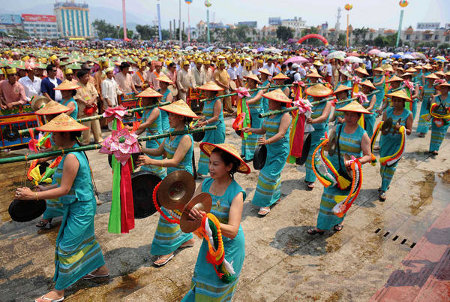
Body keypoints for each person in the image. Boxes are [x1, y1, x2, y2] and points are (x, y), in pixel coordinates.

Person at [15, 113, 108, 302]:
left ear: (65, 135)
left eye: (54, 135)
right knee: (86, 240)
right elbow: (68, 184)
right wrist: (45, 188)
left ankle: (59, 291)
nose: (52, 138)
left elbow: (65, 189)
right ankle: (101, 270)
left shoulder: (72, 156)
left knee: (66, 247)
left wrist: (34, 195)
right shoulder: (68, 152)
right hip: (78, 204)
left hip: (81, 207)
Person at [182, 142, 250, 301]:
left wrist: (207, 220)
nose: (210, 168)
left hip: (229, 247)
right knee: (203, 281)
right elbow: (191, 208)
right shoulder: (205, 184)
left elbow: (233, 230)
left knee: (218, 288)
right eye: (209, 163)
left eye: (216, 164)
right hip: (210, 242)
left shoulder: (236, 193)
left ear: (228, 167)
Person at [136, 100, 197, 266]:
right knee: (178, 210)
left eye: (172, 115)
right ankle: (186, 238)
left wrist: (151, 161)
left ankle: (167, 249)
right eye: (169, 114)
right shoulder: (170, 132)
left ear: (181, 118)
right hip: (172, 178)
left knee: (168, 213)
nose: (168, 117)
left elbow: (175, 161)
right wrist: (140, 150)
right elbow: (159, 152)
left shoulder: (185, 137)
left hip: (182, 179)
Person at [307, 101, 372, 235]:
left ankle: (339, 221)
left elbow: (368, 156)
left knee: (342, 198)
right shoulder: (338, 128)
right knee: (327, 197)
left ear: (359, 117)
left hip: (349, 172)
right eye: (347, 114)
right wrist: (324, 145)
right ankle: (321, 226)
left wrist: (355, 162)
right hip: (334, 170)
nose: (349, 117)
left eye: (353, 115)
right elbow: (330, 147)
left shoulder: (363, 134)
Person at [245, 89, 292, 216]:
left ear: (277, 102)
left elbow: (281, 134)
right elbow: (262, 130)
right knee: (272, 175)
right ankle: (275, 197)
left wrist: (267, 141)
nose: (268, 102)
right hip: (269, 150)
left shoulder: (285, 116)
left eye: (271, 100)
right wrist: (250, 129)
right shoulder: (268, 113)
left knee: (269, 175)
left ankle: (265, 203)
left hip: (280, 150)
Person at [378, 90, 413, 201]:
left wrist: (401, 129)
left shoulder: (408, 114)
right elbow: (383, 127)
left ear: (403, 102)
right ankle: (385, 182)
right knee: (383, 166)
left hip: (397, 145)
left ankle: (383, 189)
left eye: (399, 101)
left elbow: (409, 131)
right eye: (395, 100)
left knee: (391, 167)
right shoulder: (387, 112)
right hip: (385, 142)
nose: (397, 103)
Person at [304, 84, 333, 190]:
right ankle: (309, 176)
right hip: (310, 132)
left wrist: (313, 121)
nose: (315, 96)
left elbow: (324, 116)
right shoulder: (310, 101)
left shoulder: (327, 103)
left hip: (320, 133)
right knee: (307, 154)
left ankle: (312, 179)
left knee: (314, 155)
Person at [133, 88, 166, 179]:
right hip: (149, 138)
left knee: (155, 162)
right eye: (142, 98)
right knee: (147, 161)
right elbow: (143, 128)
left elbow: (147, 123)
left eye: (145, 98)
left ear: (151, 99)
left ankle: (161, 181)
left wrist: (132, 128)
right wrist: (133, 135)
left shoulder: (155, 110)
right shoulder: (146, 109)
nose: (142, 100)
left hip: (156, 139)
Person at [196, 81, 226, 177]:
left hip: (217, 128)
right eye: (205, 91)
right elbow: (205, 115)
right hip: (209, 128)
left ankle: (219, 170)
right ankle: (202, 170)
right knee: (205, 148)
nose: (205, 93)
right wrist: (198, 122)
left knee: (217, 150)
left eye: (207, 91)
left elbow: (216, 117)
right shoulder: (205, 101)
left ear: (213, 92)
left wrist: (204, 123)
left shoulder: (217, 101)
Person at [75, 69, 103, 145]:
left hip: (92, 107)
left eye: (88, 76)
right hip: (83, 109)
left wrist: (91, 101)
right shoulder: (76, 86)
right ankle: (85, 141)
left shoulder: (90, 84)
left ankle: (99, 139)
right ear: (80, 78)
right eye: (85, 77)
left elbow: (95, 94)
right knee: (86, 127)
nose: (87, 78)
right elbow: (77, 97)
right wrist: (85, 102)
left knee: (96, 125)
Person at [241, 74, 265, 161]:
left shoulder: (260, 91)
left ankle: (252, 154)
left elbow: (255, 99)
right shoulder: (247, 91)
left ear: (255, 82)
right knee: (247, 133)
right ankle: (246, 152)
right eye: (248, 81)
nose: (249, 83)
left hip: (257, 116)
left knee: (255, 135)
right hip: (248, 116)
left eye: (251, 81)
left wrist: (245, 103)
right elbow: (241, 100)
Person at [428, 82, 449, 156]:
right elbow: (431, 108)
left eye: (445, 88)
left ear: (448, 89)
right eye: (442, 88)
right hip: (436, 118)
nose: (443, 89)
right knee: (434, 133)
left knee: (441, 134)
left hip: (445, 119)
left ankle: (436, 149)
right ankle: (432, 149)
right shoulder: (436, 97)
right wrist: (429, 116)